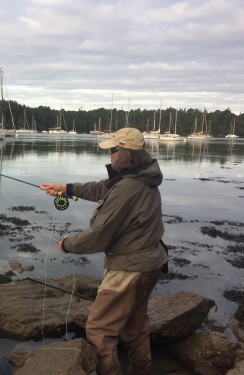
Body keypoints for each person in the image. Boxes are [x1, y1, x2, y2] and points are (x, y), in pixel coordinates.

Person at [40, 127, 167, 375]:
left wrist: (67, 244)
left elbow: (99, 235)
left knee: (99, 329)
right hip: (151, 263)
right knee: (135, 324)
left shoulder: (128, 186)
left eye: (112, 150)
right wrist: (66, 188)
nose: (108, 155)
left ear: (125, 153)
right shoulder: (140, 176)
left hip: (130, 268)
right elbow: (102, 189)